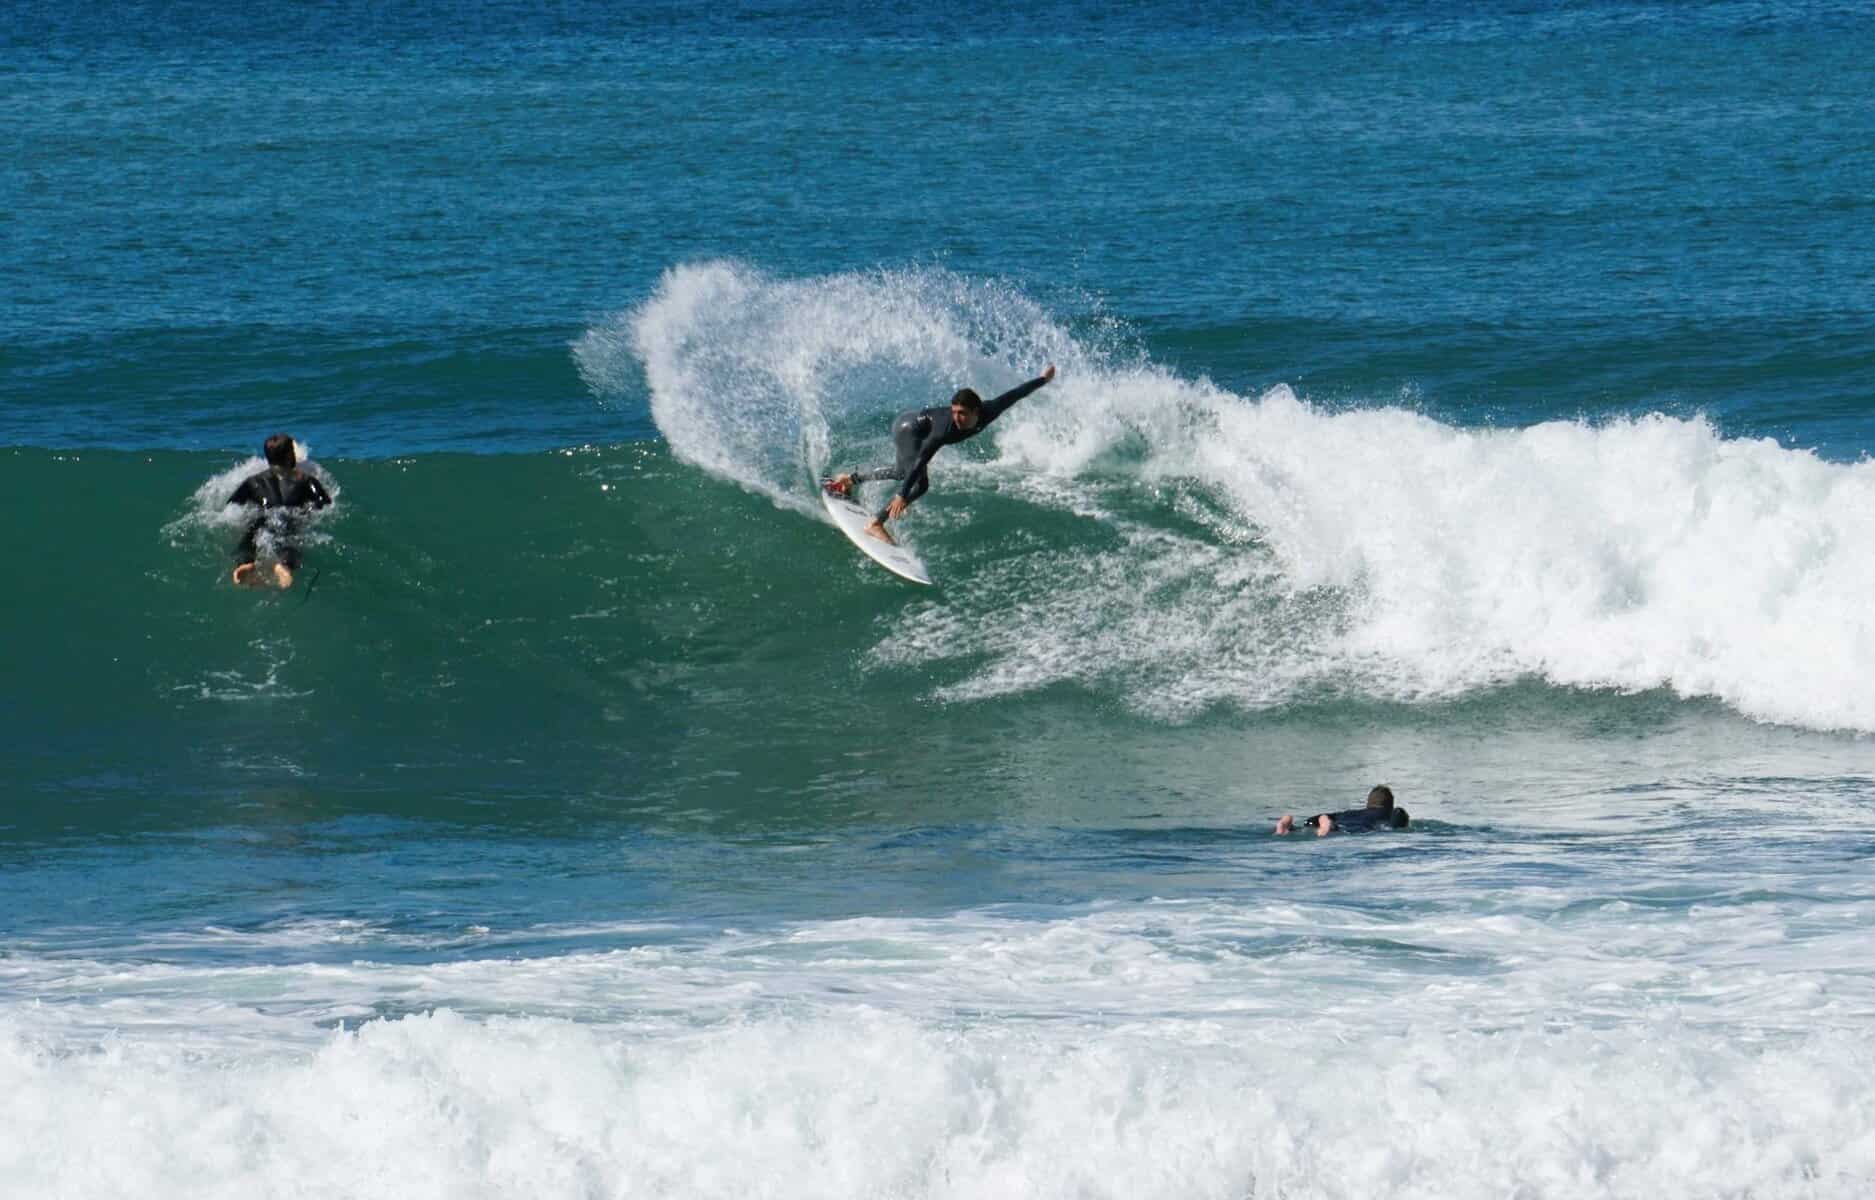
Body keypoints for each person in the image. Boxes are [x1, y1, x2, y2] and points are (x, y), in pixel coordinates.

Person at [823, 365, 1056, 544]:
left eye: (962, 413)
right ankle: (875, 523)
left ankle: (848, 479)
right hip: (908, 428)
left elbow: (1016, 394)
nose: (957, 418)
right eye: (954, 412)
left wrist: (1043, 379)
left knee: (899, 471)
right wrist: (902, 496)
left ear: (977, 411)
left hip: (913, 426)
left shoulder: (990, 411)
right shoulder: (944, 429)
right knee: (918, 484)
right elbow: (923, 458)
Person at [227, 433, 332, 588]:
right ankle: (284, 566)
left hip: (262, 517)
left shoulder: (253, 481)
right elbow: (324, 504)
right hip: (288, 517)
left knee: (250, 536)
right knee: (289, 542)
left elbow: (232, 506)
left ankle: (245, 563)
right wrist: (308, 512)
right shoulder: (306, 480)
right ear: (290, 455)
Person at [1274, 785, 1410, 837]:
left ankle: (1287, 825)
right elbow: (1397, 815)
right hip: (1352, 828)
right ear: (1389, 806)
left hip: (1334, 820)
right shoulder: (1386, 815)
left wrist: (1314, 821)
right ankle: (1327, 826)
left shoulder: (1351, 812)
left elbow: (1320, 817)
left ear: (1368, 803)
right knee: (1332, 829)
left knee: (1306, 827)